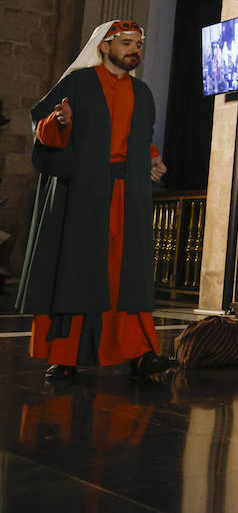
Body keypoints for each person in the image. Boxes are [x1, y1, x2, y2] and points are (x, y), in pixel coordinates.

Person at [19, 20, 173, 380]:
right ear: (104, 46)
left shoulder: (143, 92)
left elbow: (138, 136)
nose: (134, 48)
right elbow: (43, 126)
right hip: (83, 194)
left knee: (126, 275)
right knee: (77, 270)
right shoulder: (78, 83)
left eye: (138, 43)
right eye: (126, 42)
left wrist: (150, 157)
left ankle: (139, 353)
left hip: (125, 196)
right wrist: (59, 121)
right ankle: (66, 353)